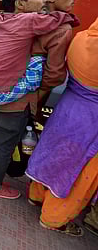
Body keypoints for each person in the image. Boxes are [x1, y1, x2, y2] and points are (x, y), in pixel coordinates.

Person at [0, 0, 77, 200]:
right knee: (5, 143)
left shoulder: (0, 19)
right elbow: (53, 75)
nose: (44, 0)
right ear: (20, 4)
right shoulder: (39, 24)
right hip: (12, 98)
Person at [26, 17, 98, 237]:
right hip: (92, 120)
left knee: (54, 154)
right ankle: (54, 218)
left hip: (67, 107)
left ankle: (36, 196)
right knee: (76, 170)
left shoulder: (79, 37)